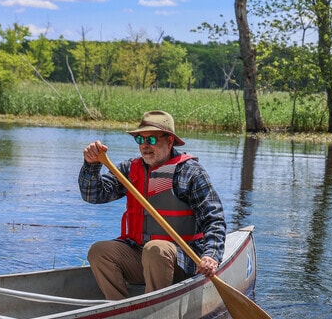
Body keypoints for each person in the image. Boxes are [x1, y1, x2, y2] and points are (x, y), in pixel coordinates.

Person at [79, 110, 226, 300]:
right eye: (141, 140)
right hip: (141, 255)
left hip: (183, 261)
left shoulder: (190, 173)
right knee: (99, 251)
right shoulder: (129, 170)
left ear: (170, 141)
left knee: (155, 249)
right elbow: (93, 195)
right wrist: (91, 165)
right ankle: (119, 308)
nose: (145, 146)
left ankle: (154, 308)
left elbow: (214, 218)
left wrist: (211, 256)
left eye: (152, 140)